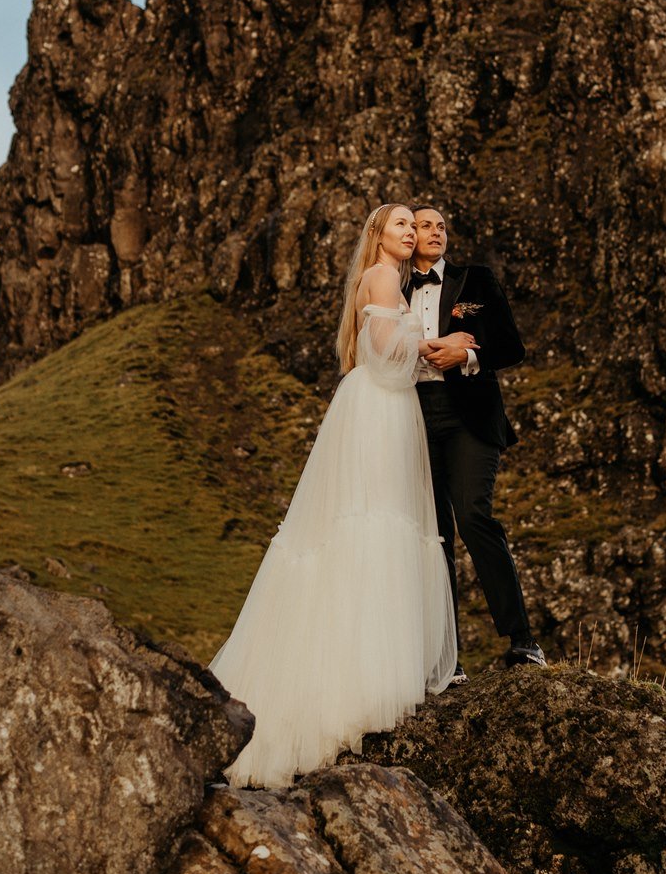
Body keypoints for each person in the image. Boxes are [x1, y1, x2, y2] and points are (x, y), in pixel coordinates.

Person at [209, 203, 458, 787]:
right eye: (400, 224)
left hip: (381, 407)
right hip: (379, 407)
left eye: (411, 225)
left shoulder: (383, 279)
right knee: (375, 523)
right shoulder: (381, 275)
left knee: (373, 525)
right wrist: (429, 343)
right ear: (379, 235)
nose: (410, 232)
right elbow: (384, 353)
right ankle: (367, 681)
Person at [405, 205, 546, 674]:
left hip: (470, 416)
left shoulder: (476, 280)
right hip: (414, 417)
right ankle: (449, 661)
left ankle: (523, 641)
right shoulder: (393, 287)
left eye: (441, 226)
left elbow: (511, 346)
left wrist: (466, 354)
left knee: (473, 516)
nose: (436, 231)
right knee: (434, 535)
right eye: (425, 225)